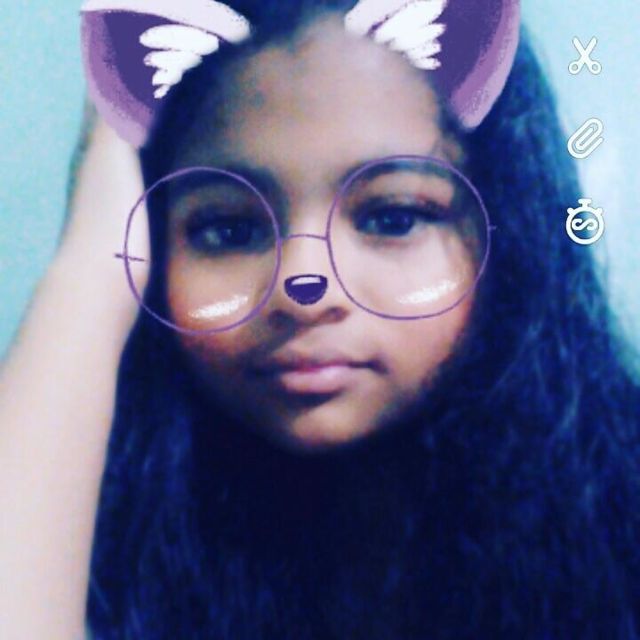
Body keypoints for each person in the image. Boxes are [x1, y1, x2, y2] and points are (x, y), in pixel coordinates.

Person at [1, 1, 639, 638]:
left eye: (393, 217)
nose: (304, 290)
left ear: (510, 232)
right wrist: (90, 269)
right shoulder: (96, 520)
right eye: (229, 229)